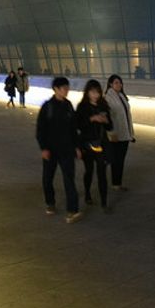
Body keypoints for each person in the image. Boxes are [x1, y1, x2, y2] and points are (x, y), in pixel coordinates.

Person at [36, 77, 81, 222]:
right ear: (55, 89)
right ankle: (50, 203)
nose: (67, 91)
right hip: (51, 150)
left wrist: (77, 147)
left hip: (67, 149)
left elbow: (73, 128)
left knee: (69, 179)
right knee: (47, 178)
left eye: (67, 88)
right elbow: (40, 129)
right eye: (64, 88)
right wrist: (44, 148)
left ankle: (72, 210)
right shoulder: (47, 107)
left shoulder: (68, 105)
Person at [74, 80, 113, 213]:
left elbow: (110, 127)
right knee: (89, 170)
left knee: (102, 173)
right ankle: (87, 194)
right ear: (87, 92)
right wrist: (92, 119)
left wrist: (106, 121)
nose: (95, 95)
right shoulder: (82, 107)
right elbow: (78, 125)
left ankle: (104, 202)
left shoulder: (103, 106)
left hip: (102, 143)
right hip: (87, 144)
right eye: (92, 92)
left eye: (98, 92)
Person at [104, 74, 135, 191]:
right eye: (116, 82)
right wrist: (112, 133)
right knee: (116, 160)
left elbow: (127, 115)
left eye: (120, 82)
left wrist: (131, 133)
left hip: (125, 133)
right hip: (116, 134)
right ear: (110, 84)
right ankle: (115, 183)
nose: (119, 85)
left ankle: (117, 183)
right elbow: (108, 117)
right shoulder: (108, 98)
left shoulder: (121, 95)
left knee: (120, 160)